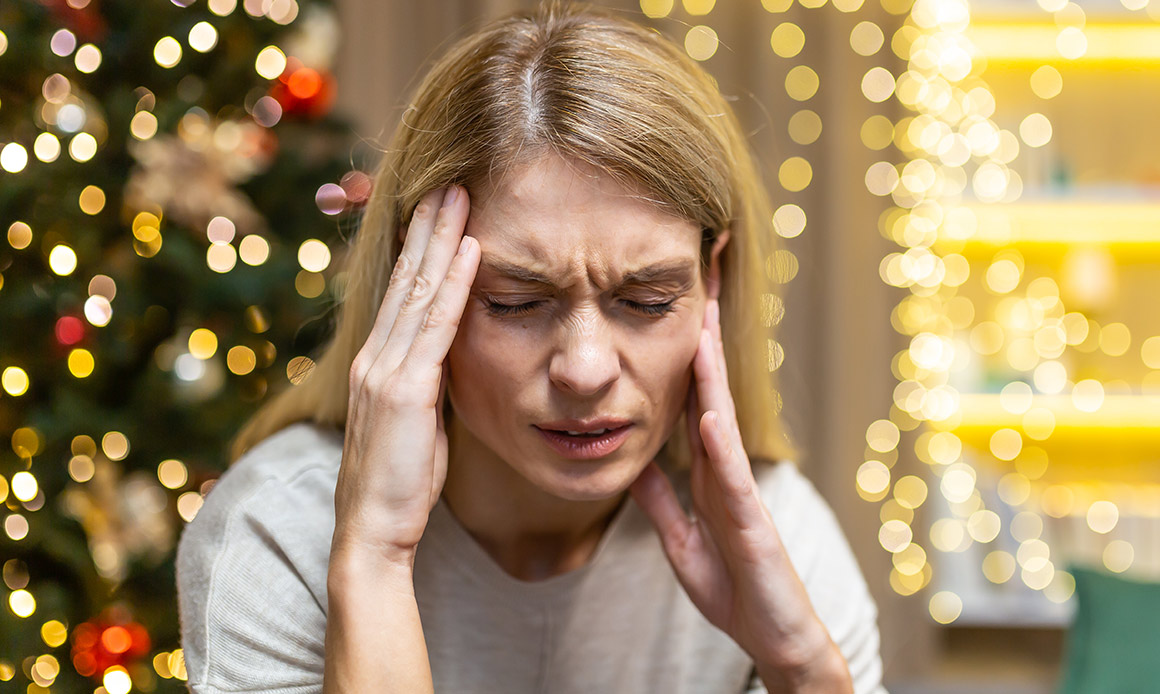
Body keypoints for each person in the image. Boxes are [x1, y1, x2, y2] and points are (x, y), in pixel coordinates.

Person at [175, 2, 888, 692]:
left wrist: (802, 670)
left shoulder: (778, 537)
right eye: (516, 303)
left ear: (713, 279)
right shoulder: (274, 535)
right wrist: (373, 561)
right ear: (413, 286)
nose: (584, 370)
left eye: (645, 301)